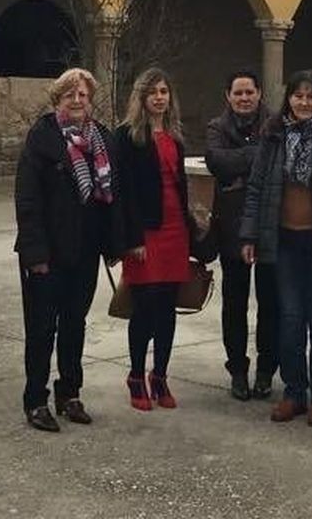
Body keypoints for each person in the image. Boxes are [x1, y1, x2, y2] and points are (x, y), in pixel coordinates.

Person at [13, 67, 129, 432]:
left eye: (82, 95)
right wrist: (35, 254)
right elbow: (27, 199)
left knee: (75, 324)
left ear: (90, 100)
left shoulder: (102, 139)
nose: (77, 100)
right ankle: (36, 399)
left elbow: (111, 197)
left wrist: (113, 244)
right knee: (42, 328)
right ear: (57, 100)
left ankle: (70, 393)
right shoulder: (43, 138)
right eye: (69, 95)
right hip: (47, 252)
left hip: (85, 250)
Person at [240, 69, 312, 426]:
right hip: (284, 240)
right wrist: (250, 235)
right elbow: (256, 189)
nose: (304, 102)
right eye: (298, 96)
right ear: (289, 98)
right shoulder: (273, 135)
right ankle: (293, 392)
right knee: (289, 319)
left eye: (311, 96)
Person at [112, 66, 195, 413]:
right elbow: (123, 192)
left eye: (164, 91)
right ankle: (135, 375)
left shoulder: (175, 136)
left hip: (176, 229)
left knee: (167, 308)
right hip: (144, 232)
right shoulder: (127, 136)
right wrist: (132, 238)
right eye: (153, 92)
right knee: (144, 306)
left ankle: (160, 374)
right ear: (141, 97)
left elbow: (180, 185)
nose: (160, 97)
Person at [206, 68, 279, 401]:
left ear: (260, 93)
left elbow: (278, 164)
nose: (244, 98)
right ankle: (237, 369)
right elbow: (216, 162)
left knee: (271, 302)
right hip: (232, 227)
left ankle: (266, 370)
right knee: (234, 303)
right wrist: (257, 156)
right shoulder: (216, 127)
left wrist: (240, 165)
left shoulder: (276, 124)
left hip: (270, 226)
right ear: (228, 96)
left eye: (249, 92)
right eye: (238, 93)